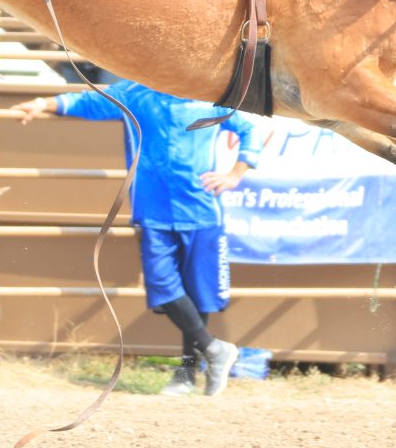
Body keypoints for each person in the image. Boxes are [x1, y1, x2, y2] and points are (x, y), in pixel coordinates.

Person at [16, 79, 262, 396]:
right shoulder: (135, 94)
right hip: (154, 212)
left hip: (202, 211)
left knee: (197, 295)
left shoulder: (209, 95)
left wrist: (235, 175)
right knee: (162, 286)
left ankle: (188, 373)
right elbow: (86, 102)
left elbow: (249, 130)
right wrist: (42, 104)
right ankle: (215, 350)